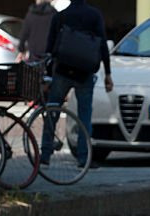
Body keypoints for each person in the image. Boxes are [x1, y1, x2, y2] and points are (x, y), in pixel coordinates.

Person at [42, 0, 112, 167]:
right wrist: (108, 73)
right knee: (84, 115)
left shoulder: (60, 17)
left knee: (52, 110)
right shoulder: (94, 15)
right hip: (84, 72)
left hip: (62, 71)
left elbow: (50, 48)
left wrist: (47, 74)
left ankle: (45, 153)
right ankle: (83, 157)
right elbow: (102, 45)